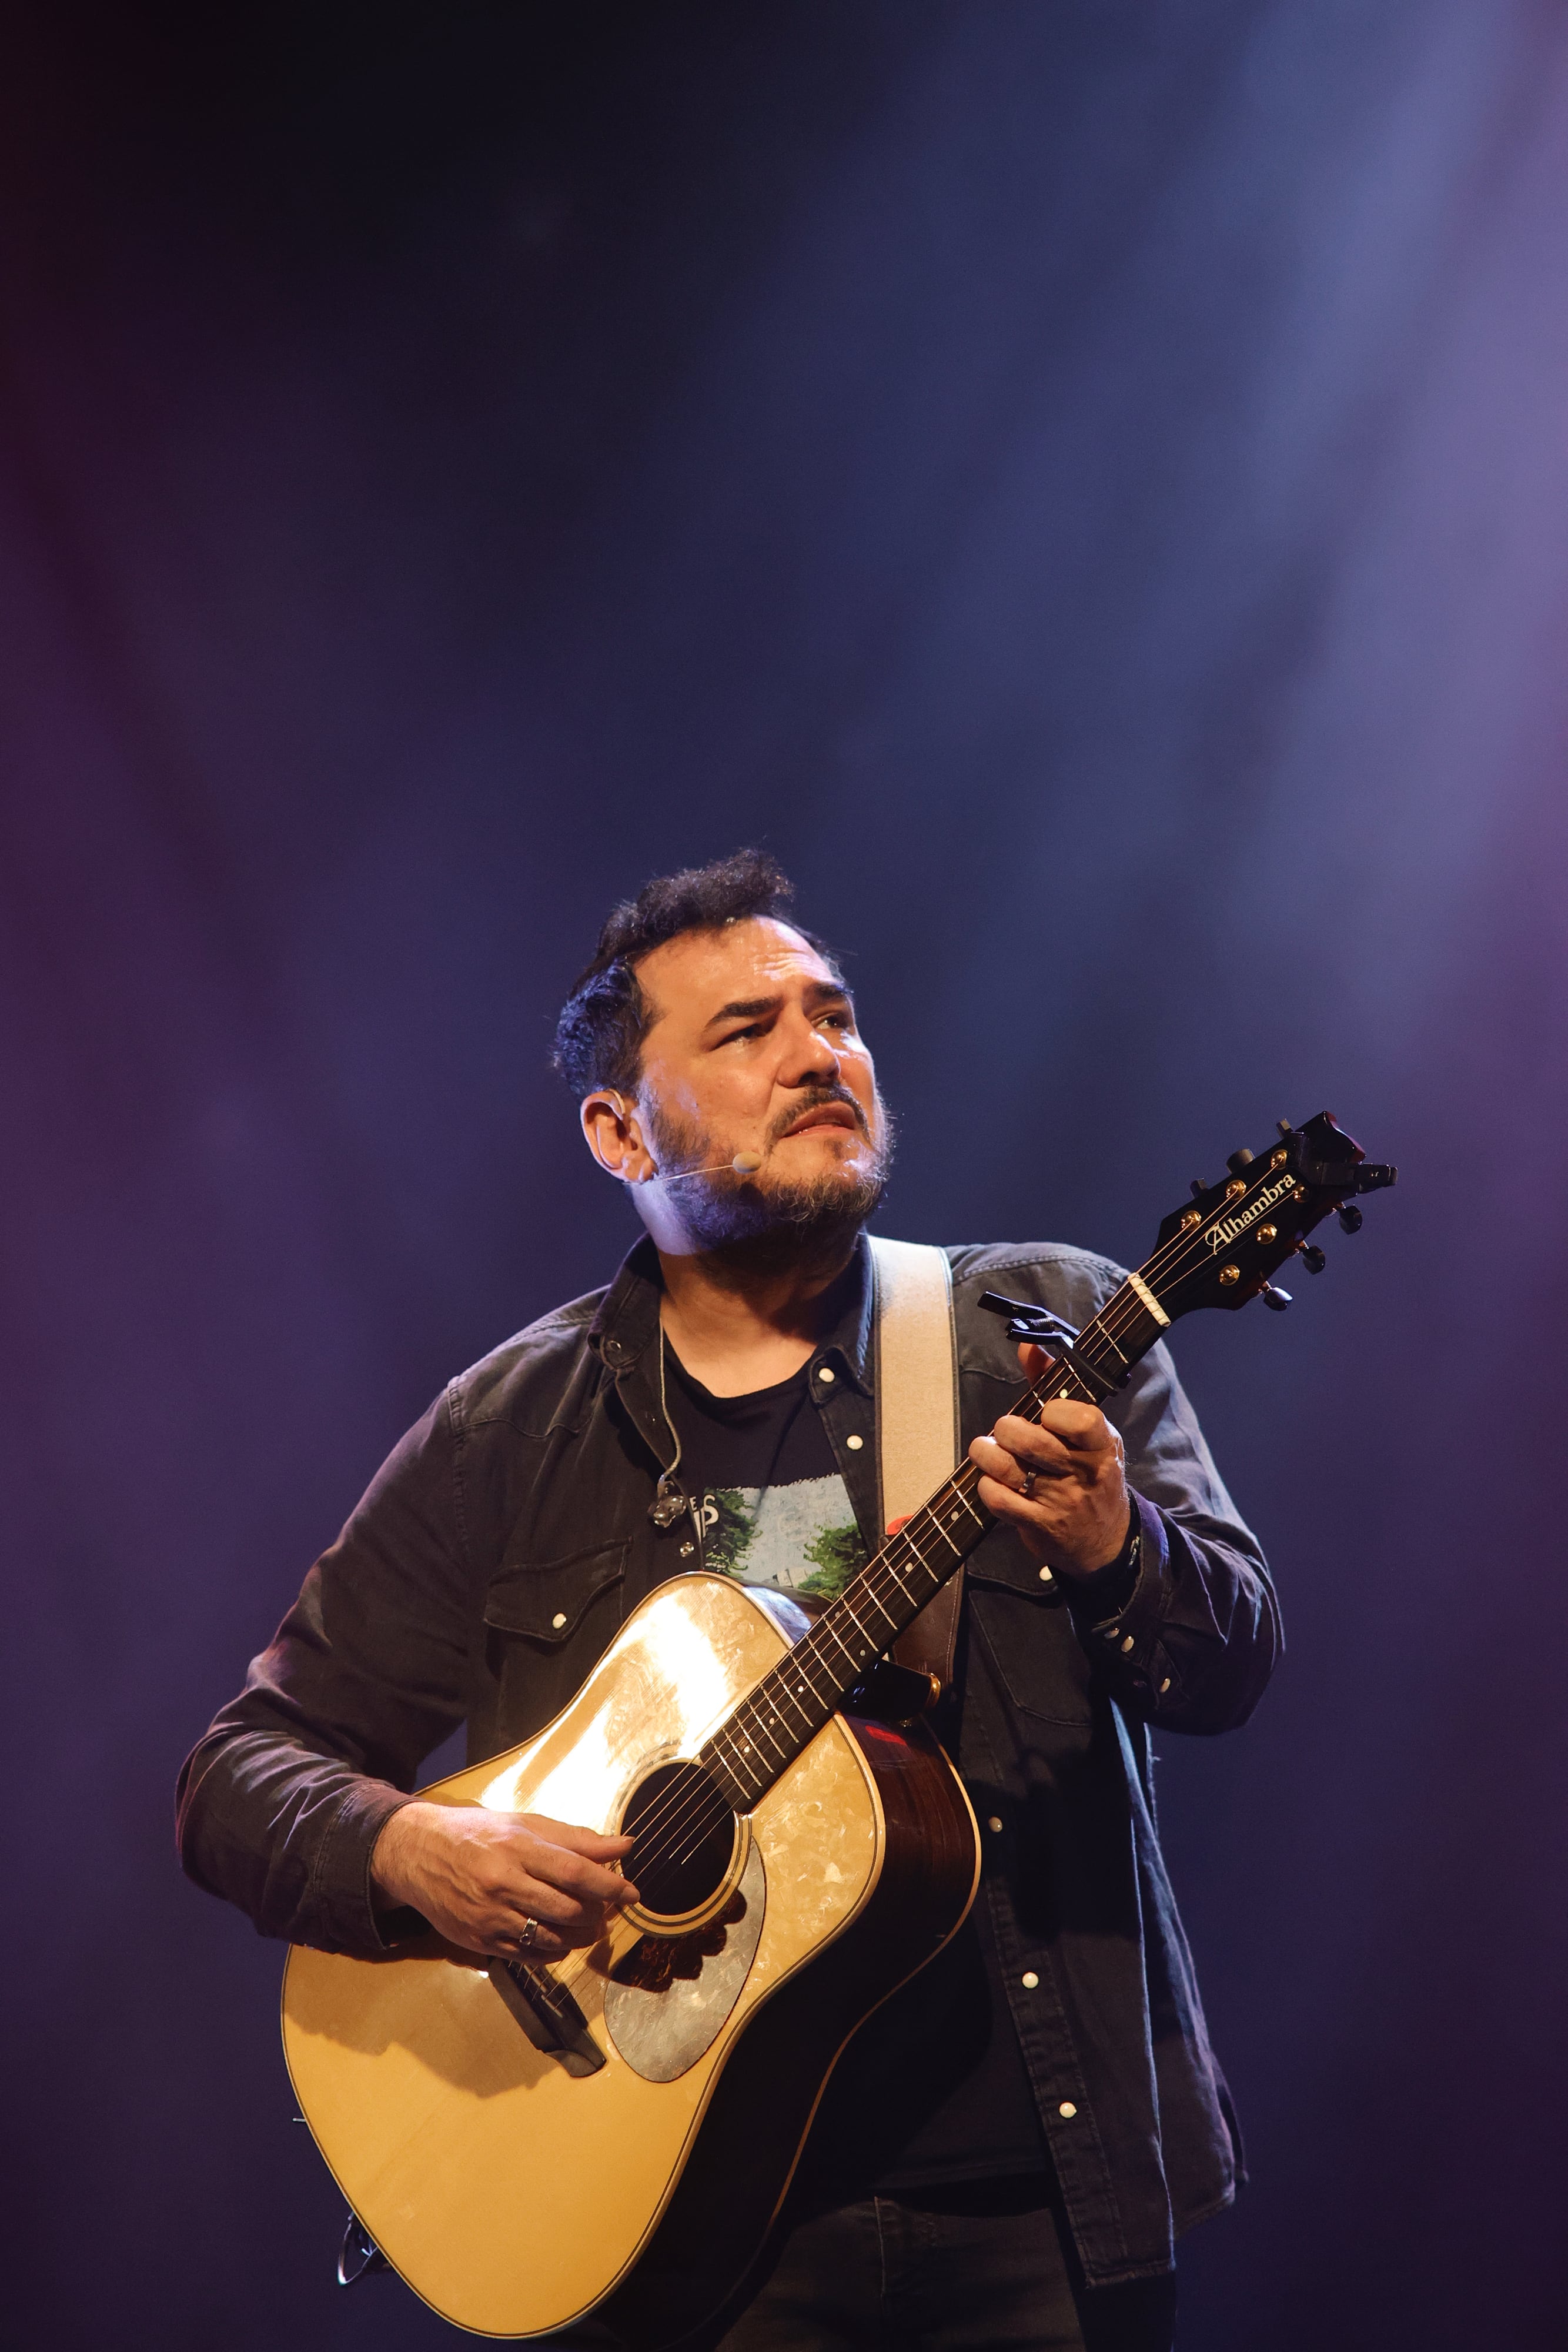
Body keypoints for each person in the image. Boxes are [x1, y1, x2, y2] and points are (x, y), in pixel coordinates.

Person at [178, 850, 1280, 2352]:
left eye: (832, 1015)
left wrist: (1114, 1542)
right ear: (618, 1128)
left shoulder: (1034, 1328)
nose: (817, 1053)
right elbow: (235, 1775)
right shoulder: (506, 1429)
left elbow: (1227, 1666)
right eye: (746, 1029)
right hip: (675, 2231)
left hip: (1037, 2207)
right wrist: (403, 1842)